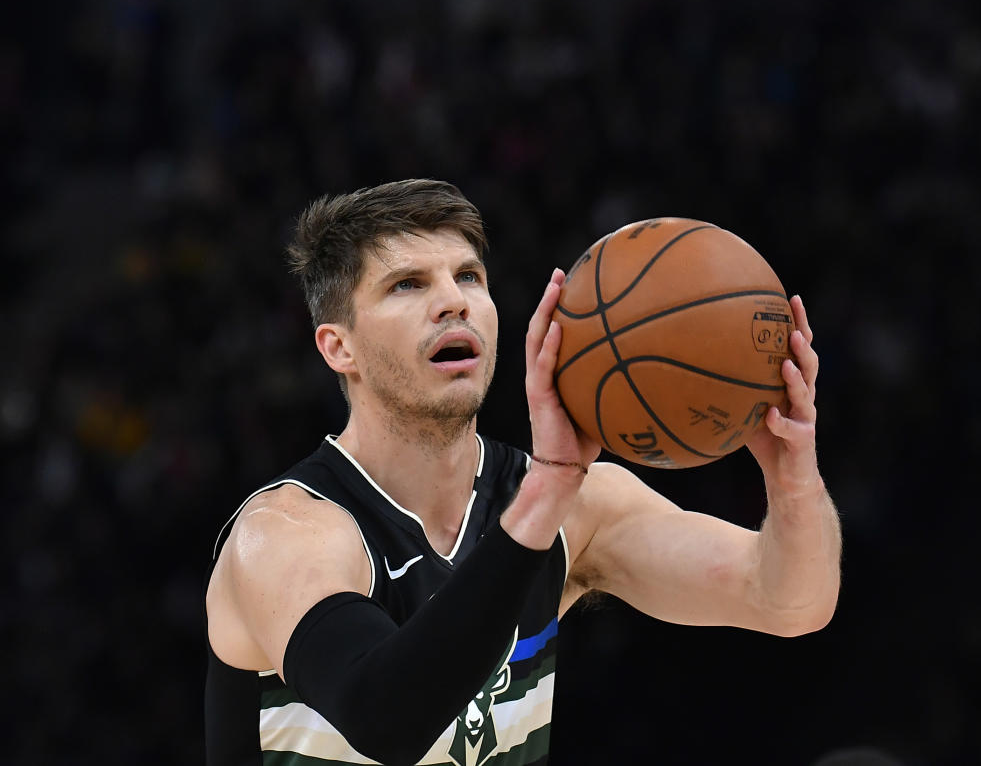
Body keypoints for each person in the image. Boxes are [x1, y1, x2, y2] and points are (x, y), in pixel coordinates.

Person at [203, 178, 842, 766]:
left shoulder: (577, 509)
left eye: (470, 276)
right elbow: (386, 718)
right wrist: (550, 487)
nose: (453, 302)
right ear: (337, 347)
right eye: (408, 285)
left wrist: (793, 485)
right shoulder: (283, 535)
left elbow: (790, 602)